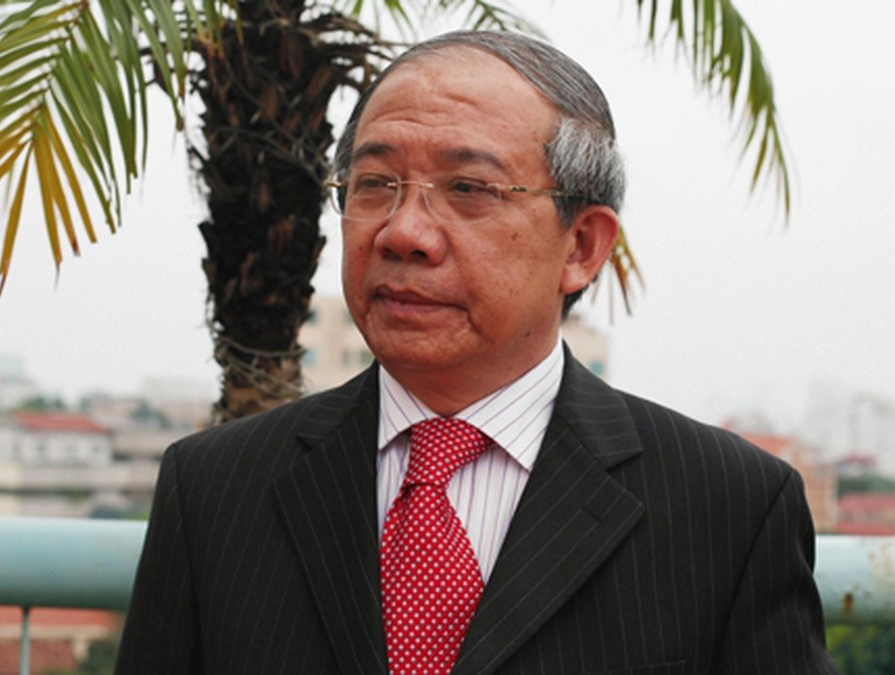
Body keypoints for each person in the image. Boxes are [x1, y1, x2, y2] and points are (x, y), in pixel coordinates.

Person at [116, 30, 837, 674]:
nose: (403, 232)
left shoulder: (729, 506)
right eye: (375, 184)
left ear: (582, 246)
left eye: (467, 188)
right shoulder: (212, 489)